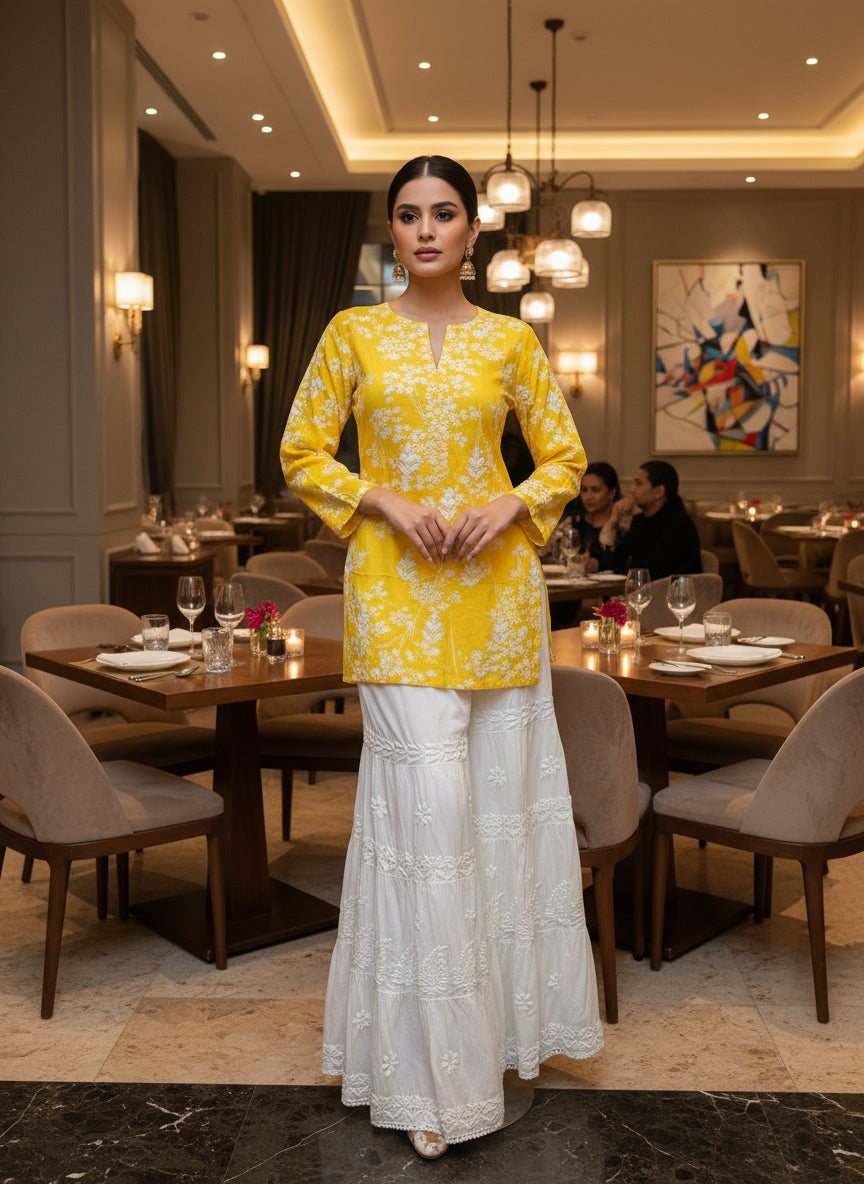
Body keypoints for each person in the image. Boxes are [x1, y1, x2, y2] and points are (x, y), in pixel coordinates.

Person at [280, 155, 603, 1157]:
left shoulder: (509, 340)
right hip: (393, 605)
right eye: (410, 214)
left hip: (499, 608)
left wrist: (513, 498)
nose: (427, 229)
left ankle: (496, 1040)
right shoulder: (351, 332)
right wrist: (382, 497)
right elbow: (301, 450)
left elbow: (565, 457)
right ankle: (428, 1079)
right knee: (431, 824)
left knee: (496, 823)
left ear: (474, 232)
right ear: (394, 231)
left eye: (445, 213)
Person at [602, 459, 702, 579]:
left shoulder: (678, 524)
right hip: (645, 592)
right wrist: (612, 523)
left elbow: (652, 571)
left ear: (659, 491)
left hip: (673, 594)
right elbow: (616, 565)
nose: (631, 490)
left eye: (638, 484)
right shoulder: (640, 520)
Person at [562, 460, 627, 573]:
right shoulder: (577, 522)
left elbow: (622, 565)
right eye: (584, 490)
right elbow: (561, 556)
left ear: (611, 493)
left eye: (595, 490)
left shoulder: (622, 526)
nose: (588, 496)